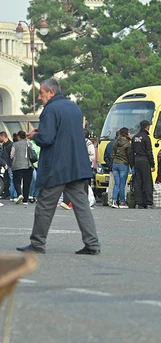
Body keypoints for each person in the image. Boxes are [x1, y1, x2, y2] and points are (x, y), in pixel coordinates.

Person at [17, 78, 100, 255]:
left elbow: (47, 139)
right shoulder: (74, 108)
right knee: (81, 206)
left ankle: (37, 243)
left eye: (41, 93)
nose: (40, 98)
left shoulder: (50, 109)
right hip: (77, 166)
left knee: (45, 205)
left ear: (51, 92)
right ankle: (92, 243)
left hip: (57, 167)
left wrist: (34, 137)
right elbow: (65, 133)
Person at [129, 120, 155, 209]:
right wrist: (152, 164)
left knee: (138, 182)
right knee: (147, 181)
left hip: (136, 161)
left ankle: (138, 202)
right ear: (146, 127)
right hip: (145, 160)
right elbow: (149, 152)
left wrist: (132, 164)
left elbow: (131, 152)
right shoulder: (146, 137)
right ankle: (148, 202)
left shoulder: (135, 137)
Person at [10, 131, 34, 205]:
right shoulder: (29, 144)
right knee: (27, 183)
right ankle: (25, 200)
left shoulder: (15, 144)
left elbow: (11, 155)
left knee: (16, 181)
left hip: (17, 166)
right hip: (29, 166)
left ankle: (20, 194)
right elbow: (33, 152)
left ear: (19, 136)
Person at [111, 127, 131, 208]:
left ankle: (114, 201)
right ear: (126, 133)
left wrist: (112, 162)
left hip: (115, 164)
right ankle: (122, 202)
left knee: (116, 183)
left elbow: (113, 153)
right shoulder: (127, 143)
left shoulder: (116, 142)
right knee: (122, 185)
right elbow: (129, 155)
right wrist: (130, 163)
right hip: (123, 164)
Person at [0, 131, 17, 200]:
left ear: (2, 136)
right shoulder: (3, 145)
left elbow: (12, 156)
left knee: (11, 180)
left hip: (10, 165)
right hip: (6, 165)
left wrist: (8, 164)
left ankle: (12, 195)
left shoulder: (11, 145)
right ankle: (7, 194)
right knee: (6, 180)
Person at [104, 131, 118, 206]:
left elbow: (105, 156)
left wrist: (109, 165)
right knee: (122, 184)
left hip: (112, 166)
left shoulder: (109, 144)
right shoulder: (124, 143)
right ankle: (122, 200)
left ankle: (110, 200)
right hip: (122, 165)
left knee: (111, 184)